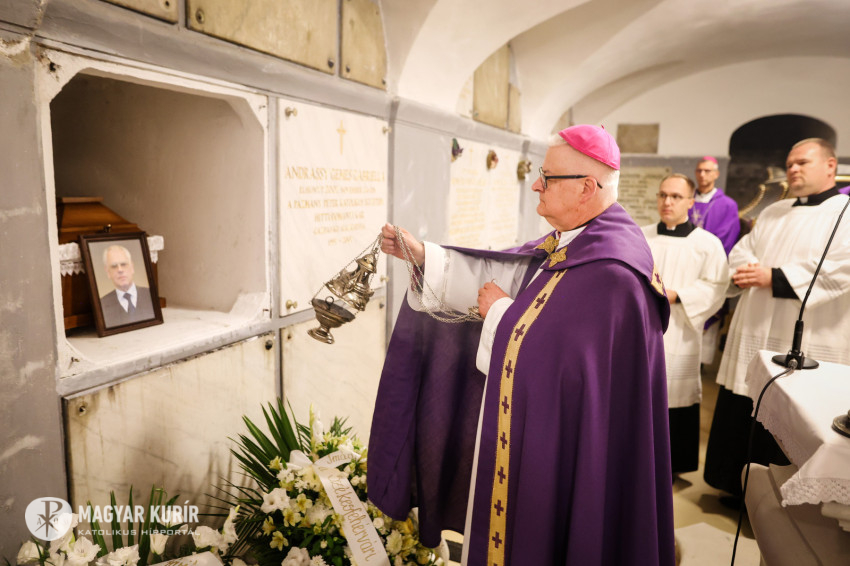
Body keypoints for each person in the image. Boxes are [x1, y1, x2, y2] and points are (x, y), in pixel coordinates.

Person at [369, 125, 675, 566]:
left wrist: (500, 314)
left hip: (572, 453)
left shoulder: (614, 270)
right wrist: (424, 257)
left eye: (548, 177)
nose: (536, 184)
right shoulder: (572, 243)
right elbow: (507, 274)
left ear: (587, 187)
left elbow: (560, 371)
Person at [704, 138, 850, 501]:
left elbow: (843, 269)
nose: (793, 169)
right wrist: (746, 271)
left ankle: (780, 501)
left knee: (792, 410)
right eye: (789, 164)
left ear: (830, 166)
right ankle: (735, 489)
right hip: (757, 323)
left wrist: (776, 277)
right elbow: (742, 253)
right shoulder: (773, 212)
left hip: (811, 332)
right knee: (745, 398)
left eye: (802, 162)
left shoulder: (844, 212)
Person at [641, 174, 728, 475]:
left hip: (680, 332)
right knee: (638, 393)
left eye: (676, 197)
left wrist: (679, 296)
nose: (667, 202)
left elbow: (717, 286)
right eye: (663, 195)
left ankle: (669, 468)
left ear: (691, 202)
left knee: (674, 393)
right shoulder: (640, 236)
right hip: (641, 331)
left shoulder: (707, 244)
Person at [689, 156, 740, 366]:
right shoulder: (685, 198)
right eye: (699, 170)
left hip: (709, 266)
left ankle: (699, 364)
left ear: (716, 174)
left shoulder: (727, 205)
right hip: (686, 264)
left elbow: (726, 238)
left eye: (708, 171)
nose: (703, 175)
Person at [100, 244, 155, 327]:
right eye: (114, 266)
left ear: (132, 267)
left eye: (123, 264)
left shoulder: (150, 295)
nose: (120, 270)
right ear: (108, 272)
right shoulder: (102, 304)